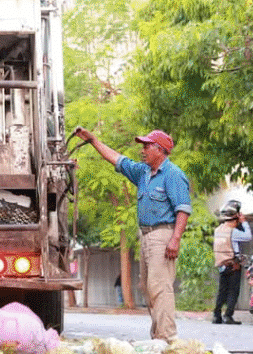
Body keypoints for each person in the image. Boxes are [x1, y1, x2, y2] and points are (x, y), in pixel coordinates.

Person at [73, 127, 192, 340]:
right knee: (147, 288)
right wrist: (93, 140)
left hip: (163, 234)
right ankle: (158, 337)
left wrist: (175, 239)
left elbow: (183, 209)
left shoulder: (173, 174)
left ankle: (167, 337)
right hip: (145, 236)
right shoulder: (143, 173)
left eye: (147, 146)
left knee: (159, 288)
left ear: (160, 150)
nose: (142, 150)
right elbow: (117, 159)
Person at [212, 199, 252, 324]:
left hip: (221, 265)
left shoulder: (218, 230)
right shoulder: (233, 232)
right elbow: (248, 236)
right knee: (233, 291)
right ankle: (228, 316)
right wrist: (244, 222)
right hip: (233, 265)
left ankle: (216, 316)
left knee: (222, 291)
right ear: (236, 218)